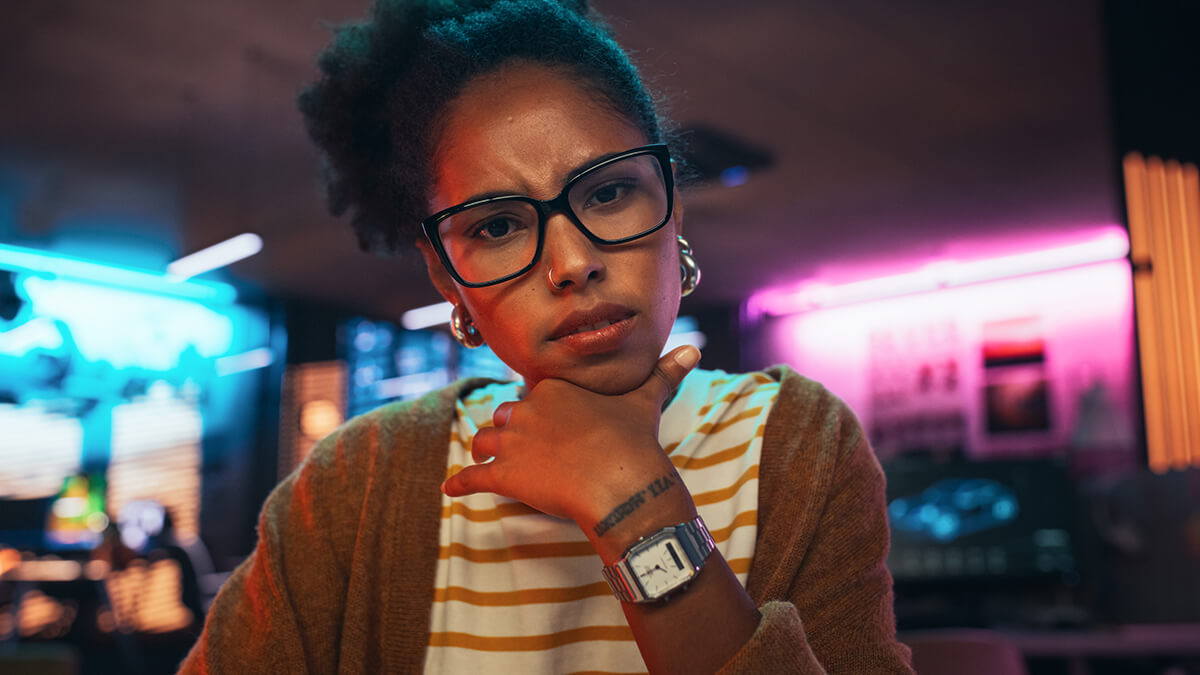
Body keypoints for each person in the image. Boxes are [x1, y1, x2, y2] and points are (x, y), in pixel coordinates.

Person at [179, 1, 914, 672]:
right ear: (445, 274)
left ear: (672, 206)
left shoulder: (798, 444)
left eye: (608, 191)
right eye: (497, 226)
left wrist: (637, 500)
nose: (572, 263)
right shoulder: (358, 482)